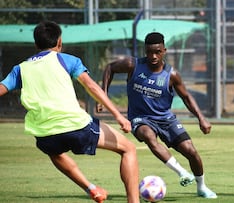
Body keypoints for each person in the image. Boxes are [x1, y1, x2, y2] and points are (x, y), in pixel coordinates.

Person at [0, 21, 140, 203]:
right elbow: (92, 86)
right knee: (128, 149)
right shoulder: (67, 59)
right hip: (76, 126)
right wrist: (119, 116)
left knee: (55, 152)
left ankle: (91, 189)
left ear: (36, 45)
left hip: (44, 134)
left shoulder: (21, 69)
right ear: (59, 42)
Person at [98, 32, 217, 199]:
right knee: (148, 136)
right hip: (141, 118)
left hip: (166, 119)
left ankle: (201, 187)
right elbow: (110, 67)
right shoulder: (133, 65)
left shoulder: (172, 75)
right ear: (145, 51)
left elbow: (186, 97)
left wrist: (201, 118)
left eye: (157, 52)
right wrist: (103, 94)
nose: (153, 56)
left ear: (164, 51)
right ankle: (182, 172)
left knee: (191, 152)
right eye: (149, 52)